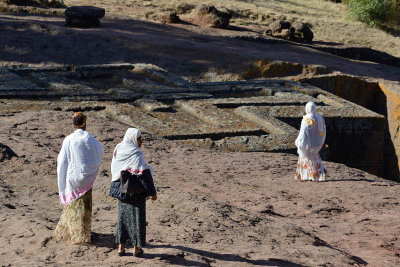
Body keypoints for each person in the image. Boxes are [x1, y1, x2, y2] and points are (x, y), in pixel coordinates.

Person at [54, 112, 104, 243]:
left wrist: (62, 177)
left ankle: (69, 233)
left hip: (73, 177)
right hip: (86, 178)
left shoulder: (69, 139)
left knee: (72, 206)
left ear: (73, 124)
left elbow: (62, 160)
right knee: (84, 206)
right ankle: (82, 234)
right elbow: (99, 150)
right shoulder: (90, 139)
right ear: (85, 123)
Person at [111, 128, 157, 257]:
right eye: (139, 138)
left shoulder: (118, 149)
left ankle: (121, 247)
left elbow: (115, 168)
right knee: (138, 219)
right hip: (135, 192)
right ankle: (136, 249)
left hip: (122, 190)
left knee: (123, 219)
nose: (141, 141)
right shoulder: (135, 154)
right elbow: (143, 175)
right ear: (133, 139)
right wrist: (152, 193)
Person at [295, 102, 327, 182]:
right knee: (315, 158)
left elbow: (303, 134)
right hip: (317, 144)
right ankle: (318, 175)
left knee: (305, 157)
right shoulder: (320, 119)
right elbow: (323, 131)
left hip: (306, 144)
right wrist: (321, 141)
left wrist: (298, 141)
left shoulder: (306, 119)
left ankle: (305, 175)